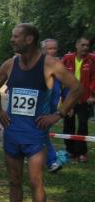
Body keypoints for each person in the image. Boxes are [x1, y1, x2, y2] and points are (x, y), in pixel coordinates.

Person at [0, 23, 81, 202]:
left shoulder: (49, 64)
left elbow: (77, 88)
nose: (12, 40)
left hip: (35, 134)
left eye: (16, 36)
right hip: (13, 133)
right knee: (14, 180)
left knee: (35, 181)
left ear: (29, 39)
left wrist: (58, 114)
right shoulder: (10, 64)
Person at [60, 37, 95, 162]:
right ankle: (70, 151)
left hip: (84, 99)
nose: (85, 47)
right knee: (68, 124)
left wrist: (92, 95)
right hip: (69, 98)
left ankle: (81, 152)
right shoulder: (67, 58)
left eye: (87, 45)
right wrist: (64, 98)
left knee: (83, 125)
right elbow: (61, 78)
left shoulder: (92, 59)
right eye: (83, 45)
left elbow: (94, 78)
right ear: (76, 45)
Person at [40, 38, 63, 172]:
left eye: (55, 48)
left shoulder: (60, 65)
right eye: (50, 48)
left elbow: (66, 87)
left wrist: (66, 103)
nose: (53, 51)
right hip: (39, 106)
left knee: (42, 133)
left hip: (51, 108)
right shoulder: (37, 65)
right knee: (41, 133)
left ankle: (46, 159)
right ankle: (51, 161)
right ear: (43, 50)